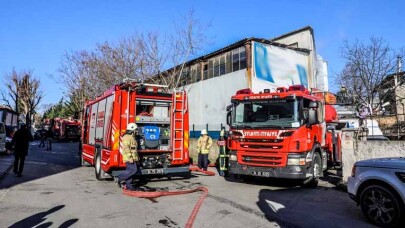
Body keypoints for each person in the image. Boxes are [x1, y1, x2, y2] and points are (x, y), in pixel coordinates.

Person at [117, 123, 140, 190]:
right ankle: (119, 178)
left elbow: (133, 149)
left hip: (133, 157)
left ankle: (128, 186)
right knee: (133, 170)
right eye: (136, 130)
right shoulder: (127, 137)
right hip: (129, 158)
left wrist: (137, 158)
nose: (137, 131)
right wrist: (130, 157)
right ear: (132, 130)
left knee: (130, 171)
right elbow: (126, 147)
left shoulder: (132, 137)